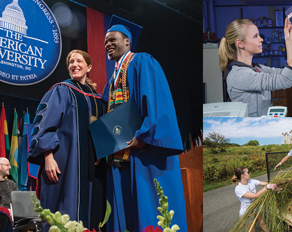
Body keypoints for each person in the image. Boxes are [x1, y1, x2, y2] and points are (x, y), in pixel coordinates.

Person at [102, 25, 187, 232]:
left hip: (146, 152)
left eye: (112, 40)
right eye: (105, 42)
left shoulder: (141, 62)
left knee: (153, 210)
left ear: (127, 42)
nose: (108, 45)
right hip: (122, 155)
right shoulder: (112, 79)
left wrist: (144, 136)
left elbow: (156, 101)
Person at [27, 50, 107, 231]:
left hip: (94, 170)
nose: (74, 64)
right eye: (71, 61)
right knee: (64, 212)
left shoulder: (99, 100)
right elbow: (45, 125)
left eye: (79, 61)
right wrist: (47, 157)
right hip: (65, 165)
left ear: (89, 67)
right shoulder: (61, 90)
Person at [218, 18, 292, 117]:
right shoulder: (239, 75)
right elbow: (286, 79)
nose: (261, 39)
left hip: (262, 127)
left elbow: (291, 74)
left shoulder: (257, 68)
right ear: (240, 43)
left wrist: (289, 40)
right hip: (251, 129)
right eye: (255, 36)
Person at [232, 166, 278, 232]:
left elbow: (265, 183)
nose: (250, 173)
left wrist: (275, 185)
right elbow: (255, 196)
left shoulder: (251, 181)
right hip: (247, 213)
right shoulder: (239, 189)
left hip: (255, 209)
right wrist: (267, 187)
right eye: (248, 172)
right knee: (252, 230)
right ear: (242, 175)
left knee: (262, 224)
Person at [0, 158, 17, 232]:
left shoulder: (12, 184)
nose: (10, 167)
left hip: (13, 215)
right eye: (7, 165)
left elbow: (18, 201)